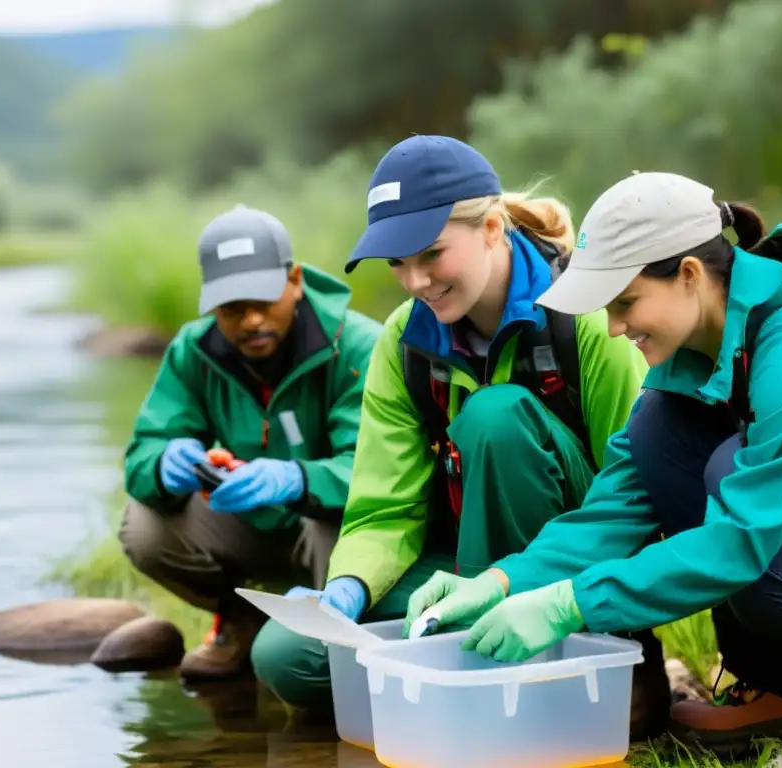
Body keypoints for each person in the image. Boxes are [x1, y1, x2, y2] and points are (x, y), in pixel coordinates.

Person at [406, 176, 782, 764]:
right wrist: (503, 581)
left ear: (688, 274)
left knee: (764, 557)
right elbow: (615, 507)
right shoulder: (693, 362)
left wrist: (571, 604)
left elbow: (739, 545)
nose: (613, 329)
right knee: (662, 437)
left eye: (625, 303)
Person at [249, 135, 669, 737]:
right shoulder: (402, 342)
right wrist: (345, 590)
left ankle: (586, 657)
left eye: (431, 254)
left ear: (493, 228)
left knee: (495, 417)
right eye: (396, 263)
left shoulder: (588, 317)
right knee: (286, 656)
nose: (415, 280)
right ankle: (474, 662)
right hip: (456, 568)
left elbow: (637, 497)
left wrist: (585, 601)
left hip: (569, 569)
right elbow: (384, 508)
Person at [119, 204, 381, 682]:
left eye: (264, 300)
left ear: (296, 280)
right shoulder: (193, 351)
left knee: (333, 517)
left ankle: (333, 657)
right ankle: (243, 617)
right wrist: (165, 465)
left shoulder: (361, 347)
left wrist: (296, 478)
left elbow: (378, 476)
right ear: (211, 305)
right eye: (232, 308)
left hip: (333, 529)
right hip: (254, 525)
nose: (252, 321)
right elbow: (144, 453)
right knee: (144, 526)